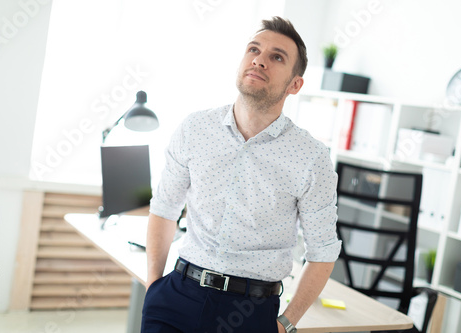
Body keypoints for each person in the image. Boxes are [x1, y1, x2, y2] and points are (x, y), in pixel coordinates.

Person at [141, 16, 341, 333]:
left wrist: (286, 323)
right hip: (177, 297)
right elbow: (164, 208)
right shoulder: (195, 128)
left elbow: (323, 252)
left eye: (277, 57)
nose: (260, 60)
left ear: (295, 84)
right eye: (253, 49)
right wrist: (153, 285)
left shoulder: (311, 158)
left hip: (250, 312)